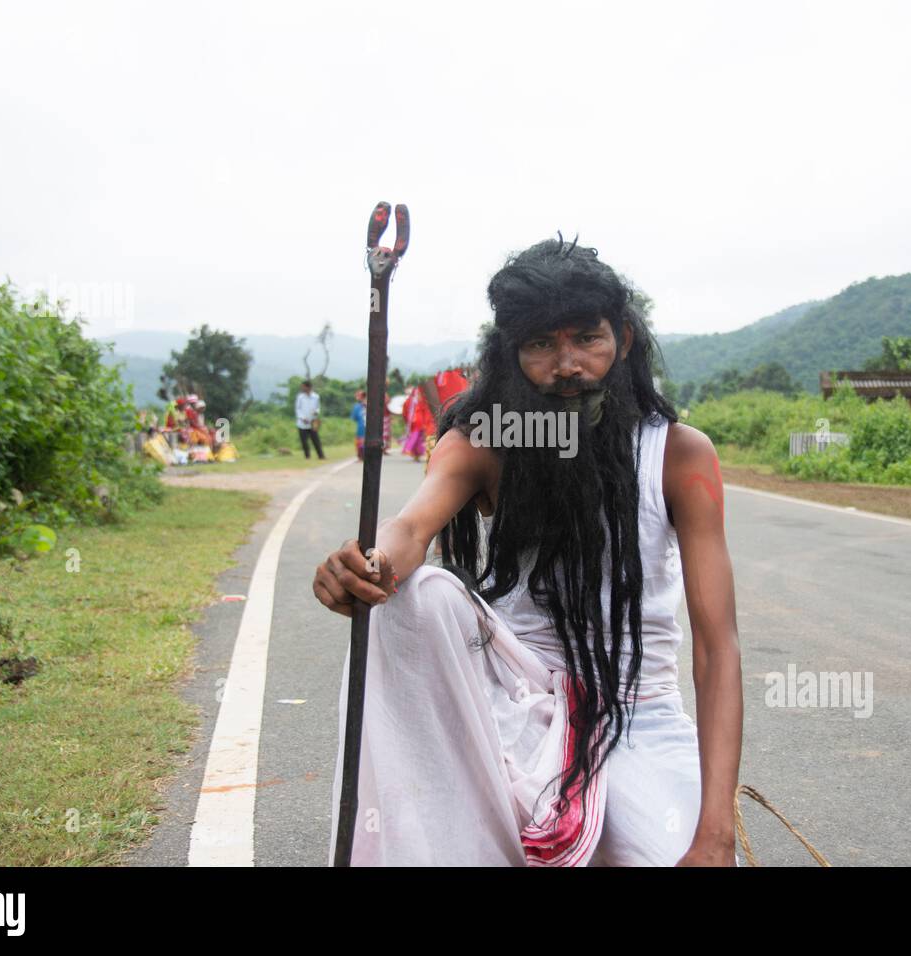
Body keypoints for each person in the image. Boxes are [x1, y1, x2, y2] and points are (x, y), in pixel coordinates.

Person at [313, 236, 743, 866]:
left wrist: (715, 832)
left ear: (622, 339)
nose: (567, 365)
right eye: (541, 344)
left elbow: (716, 645)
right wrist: (366, 567)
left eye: (586, 339)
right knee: (417, 597)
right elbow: (410, 529)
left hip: (635, 714)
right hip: (512, 699)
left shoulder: (681, 455)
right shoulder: (485, 440)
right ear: (511, 355)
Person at [296, 380, 325, 460]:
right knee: (304, 441)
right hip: (302, 422)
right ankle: (307, 456)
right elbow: (298, 409)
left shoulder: (316, 397)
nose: (302, 388)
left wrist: (316, 412)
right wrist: (302, 418)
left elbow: (318, 407)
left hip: (313, 421)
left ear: (308, 387)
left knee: (316, 439)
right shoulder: (300, 397)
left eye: (303, 386)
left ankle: (321, 456)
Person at [351, 389, 366, 460]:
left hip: (361, 427)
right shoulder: (369, 404)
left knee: (360, 442)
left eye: (357, 396)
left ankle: (361, 456)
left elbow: (354, 418)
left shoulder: (357, 406)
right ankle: (363, 456)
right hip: (367, 428)